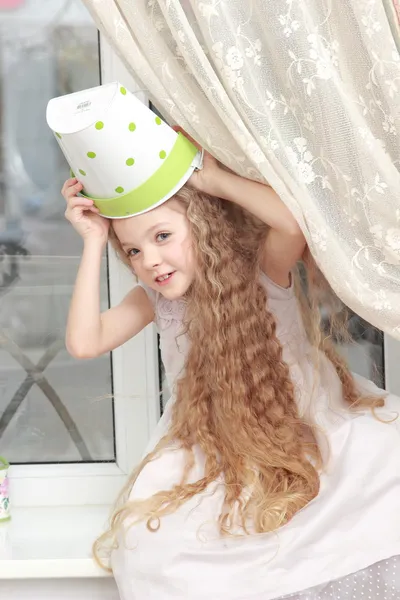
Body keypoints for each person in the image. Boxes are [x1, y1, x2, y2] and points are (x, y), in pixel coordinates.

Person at [62, 129, 400, 600]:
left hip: (301, 425)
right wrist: (95, 240)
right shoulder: (157, 301)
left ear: (200, 226)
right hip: (212, 442)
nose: (151, 260)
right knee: (160, 546)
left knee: (375, 484)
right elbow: (84, 341)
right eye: (134, 251)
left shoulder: (262, 271)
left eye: (162, 237)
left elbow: (291, 225)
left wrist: (213, 181)